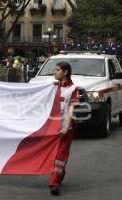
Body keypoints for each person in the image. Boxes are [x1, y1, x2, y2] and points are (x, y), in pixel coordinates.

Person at [49, 62, 78, 195]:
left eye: (58, 70)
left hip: (67, 128)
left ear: (65, 72)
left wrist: (65, 128)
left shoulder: (73, 89)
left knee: (60, 155)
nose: (55, 72)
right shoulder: (51, 87)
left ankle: (54, 183)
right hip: (51, 128)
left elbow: (71, 110)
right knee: (53, 156)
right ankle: (60, 173)